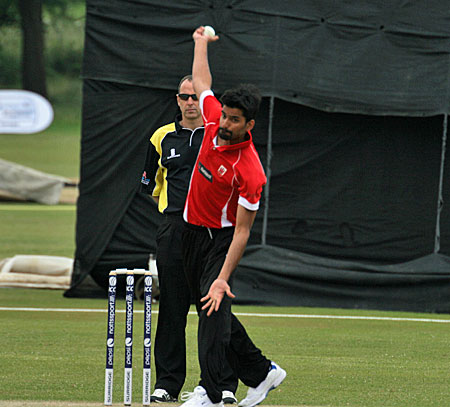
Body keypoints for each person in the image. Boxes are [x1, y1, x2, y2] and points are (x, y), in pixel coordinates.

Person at [179, 27, 286, 407]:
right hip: (190, 232)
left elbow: (242, 232)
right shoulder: (212, 121)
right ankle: (262, 371)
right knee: (212, 309)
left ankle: (210, 392)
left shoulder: (250, 171)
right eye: (224, 116)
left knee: (211, 311)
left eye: (234, 120)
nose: (225, 124)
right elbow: (202, 82)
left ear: (249, 125)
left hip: (220, 240)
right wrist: (200, 43)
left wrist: (223, 278)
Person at [140, 75, 238, 404]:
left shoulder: (220, 134)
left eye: (196, 96)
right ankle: (167, 383)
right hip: (175, 230)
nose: (191, 103)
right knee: (172, 307)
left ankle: (221, 385)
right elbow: (153, 188)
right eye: (185, 97)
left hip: (213, 232)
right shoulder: (161, 137)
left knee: (215, 308)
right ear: (177, 100)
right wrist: (177, 217)